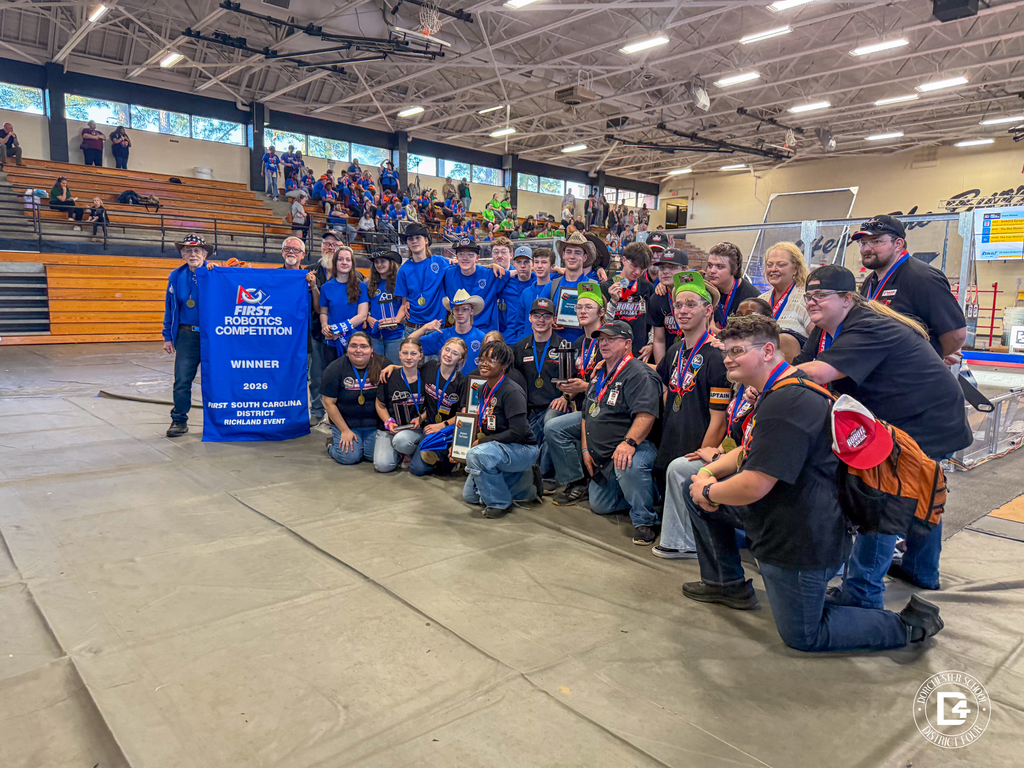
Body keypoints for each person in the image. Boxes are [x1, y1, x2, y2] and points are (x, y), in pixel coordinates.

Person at [680, 314, 943, 652]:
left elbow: (755, 484)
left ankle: (909, 624)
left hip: (801, 539)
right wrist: (710, 473)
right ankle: (726, 583)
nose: (728, 359)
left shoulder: (786, 402)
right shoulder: (780, 389)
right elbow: (751, 449)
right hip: (780, 515)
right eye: (727, 351)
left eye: (738, 351)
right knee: (695, 492)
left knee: (804, 635)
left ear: (768, 351)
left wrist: (708, 490)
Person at [794, 264, 972, 608]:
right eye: (809, 296)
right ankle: (921, 569)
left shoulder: (869, 325)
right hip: (908, 414)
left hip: (925, 418)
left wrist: (766, 376)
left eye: (821, 295)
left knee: (884, 495)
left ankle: (862, 593)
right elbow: (805, 362)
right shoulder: (827, 327)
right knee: (919, 486)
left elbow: (819, 371)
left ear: (847, 298)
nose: (813, 302)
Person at [652, 272, 731, 560]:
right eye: (679, 305)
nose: (683, 311)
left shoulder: (716, 357)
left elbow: (719, 419)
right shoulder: (675, 351)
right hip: (671, 439)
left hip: (696, 447)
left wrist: (702, 459)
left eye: (691, 304)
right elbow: (662, 388)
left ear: (708, 310)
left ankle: (688, 543)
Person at [580, 320, 663, 544]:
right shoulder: (600, 372)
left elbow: (646, 415)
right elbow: (587, 413)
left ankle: (645, 520)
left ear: (627, 344)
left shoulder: (638, 374)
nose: (604, 343)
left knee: (628, 463)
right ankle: (640, 492)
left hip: (636, 446)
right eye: (601, 339)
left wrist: (629, 442)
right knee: (600, 506)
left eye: (611, 339)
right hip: (603, 453)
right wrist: (586, 447)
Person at [853, 214, 966, 363]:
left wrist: (930, 358)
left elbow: (956, 334)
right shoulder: (871, 280)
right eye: (863, 243)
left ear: (898, 244)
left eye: (876, 241)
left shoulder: (922, 277)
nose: (867, 249)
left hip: (907, 378)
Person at [461, 340, 542, 519]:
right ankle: (524, 484)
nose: (484, 364)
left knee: (477, 455)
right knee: (470, 496)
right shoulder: (483, 389)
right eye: (482, 359)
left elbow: (518, 432)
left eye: (491, 360)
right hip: (499, 448)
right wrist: (461, 448)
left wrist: (482, 442)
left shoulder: (512, 392)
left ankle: (499, 503)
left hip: (522, 448)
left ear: (504, 365)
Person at [545, 282, 606, 506]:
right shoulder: (579, 342)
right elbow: (574, 378)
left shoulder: (607, 342)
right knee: (550, 416)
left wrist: (584, 387)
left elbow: (614, 384)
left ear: (601, 312)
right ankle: (559, 477)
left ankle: (578, 482)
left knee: (554, 427)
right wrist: (567, 394)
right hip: (580, 405)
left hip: (601, 409)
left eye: (588, 307)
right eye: (579, 307)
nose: (582, 311)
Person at [513, 297, 572, 485]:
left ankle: (546, 477)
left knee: (549, 423)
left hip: (554, 405)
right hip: (529, 407)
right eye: (537, 315)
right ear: (530, 318)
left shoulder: (564, 347)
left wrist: (565, 397)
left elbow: (570, 382)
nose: (541, 320)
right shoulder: (520, 348)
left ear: (553, 319)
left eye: (546, 316)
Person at [161, 234, 214, 438]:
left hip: (213, 336)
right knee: (182, 380)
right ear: (183, 255)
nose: (193, 254)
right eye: (189, 251)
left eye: (197, 251)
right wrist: (168, 336)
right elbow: (170, 307)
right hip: (186, 335)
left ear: (205, 254)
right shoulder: (175, 276)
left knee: (217, 379)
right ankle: (179, 420)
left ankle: (221, 420)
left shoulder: (214, 272)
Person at [321, 332, 387, 465]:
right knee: (349, 457)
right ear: (347, 349)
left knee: (372, 456)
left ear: (371, 349)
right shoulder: (334, 369)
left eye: (363, 346)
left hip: (374, 425)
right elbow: (328, 403)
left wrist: (393, 367)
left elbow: (403, 373)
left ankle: (363, 444)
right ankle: (331, 444)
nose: (358, 350)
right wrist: (344, 430)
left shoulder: (383, 365)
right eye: (353, 346)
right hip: (347, 423)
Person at [279, 235, 322, 427]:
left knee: (313, 376)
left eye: (296, 250)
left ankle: (315, 412)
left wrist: (313, 287)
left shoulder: (309, 278)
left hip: (305, 336)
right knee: (284, 375)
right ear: (282, 252)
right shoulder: (273, 278)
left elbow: (319, 307)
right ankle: (283, 410)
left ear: (303, 255)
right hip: (280, 337)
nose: (291, 252)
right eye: (287, 248)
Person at [374, 338, 427, 472]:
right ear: (399, 355)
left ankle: (408, 452)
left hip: (415, 430)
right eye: (405, 353)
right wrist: (388, 421)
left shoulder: (427, 376)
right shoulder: (388, 376)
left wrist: (422, 418)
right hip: (391, 429)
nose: (409, 357)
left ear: (421, 356)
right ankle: (399, 453)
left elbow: (433, 405)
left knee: (402, 441)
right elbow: (380, 405)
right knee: (383, 465)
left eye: (413, 353)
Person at [314, 244, 369, 365]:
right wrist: (324, 326)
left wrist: (338, 329)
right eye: (340, 259)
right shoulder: (326, 288)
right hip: (331, 341)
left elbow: (362, 316)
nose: (344, 262)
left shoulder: (361, 286)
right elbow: (323, 312)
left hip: (354, 342)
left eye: (348, 260)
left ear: (352, 263)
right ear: (335, 263)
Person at [410, 289, 486, 374]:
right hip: (447, 385)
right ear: (452, 312)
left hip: (471, 385)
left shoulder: (481, 337)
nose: (460, 313)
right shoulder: (442, 335)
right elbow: (409, 344)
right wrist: (424, 328)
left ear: (471, 311)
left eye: (464, 309)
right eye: (456, 309)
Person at [541, 231, 598, 343]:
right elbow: (538, 315)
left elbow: (600, 319)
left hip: (585, 347)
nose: (572, 256)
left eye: (577, 252)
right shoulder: (551, 286)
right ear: (563, 255)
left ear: (584, 257)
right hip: (555, 349)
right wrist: (548, 321)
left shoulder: (593, 286)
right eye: (569, 252)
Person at [759, 242, 812, 362]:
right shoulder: (761, 300)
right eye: (769, 265)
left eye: (781, 265)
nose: (773, 269)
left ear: (796, 268)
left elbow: (818, 339)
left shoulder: (806, 300)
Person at [442, 239, 509, 334]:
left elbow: (516, 273)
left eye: (470, 255)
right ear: (456, 257)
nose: (465, 258)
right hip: (459, 332)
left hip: (486, 334)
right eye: (461, 254)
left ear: (477, 258)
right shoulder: (448, 273)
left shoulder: (491, 274)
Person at [602, 242, 655, 360]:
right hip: (612, 353)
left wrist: (652, 344)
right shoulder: (606, 288)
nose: (637, 272)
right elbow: (601, 324)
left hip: (639, 352)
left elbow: (653, 322)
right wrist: (613, 302)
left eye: (642, 268)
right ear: (624, 260)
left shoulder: (648, 288)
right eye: (634, 266)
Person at [395, 222, 449, 333]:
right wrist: (395, 321)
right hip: (412, 326)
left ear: (426, 241)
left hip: (436, 326)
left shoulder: (441, 262)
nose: (414, 241)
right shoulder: (403, 270)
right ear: (407, 244)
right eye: (410, 239)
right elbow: (404, 304)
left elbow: (465, 266)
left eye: (418, 238)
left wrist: (491, 266)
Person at [648, 247, 689, 363]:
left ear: (685, 269)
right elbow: (659, 340)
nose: (665, 271)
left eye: (672, 267)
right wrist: (661, 372)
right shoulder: (657, 298)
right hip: (670, 359)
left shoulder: (697, 295)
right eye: (662, 267)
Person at [705, 242, 760, 327]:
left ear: (735, 268)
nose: (712, 271)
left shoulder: (752, 298)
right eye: (710, 265)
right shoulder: (706, 290)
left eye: (720, 267)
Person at [366, 249, 406, 362]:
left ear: (391, 263)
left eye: (382, 261)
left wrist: (397, 320)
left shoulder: (401, 283)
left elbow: (405, 306)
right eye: (376, 262)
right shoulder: (368, 285)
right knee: (376, 370)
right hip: (374, 336)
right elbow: (363, 308)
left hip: (395, 336)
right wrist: (368, 318)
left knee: (395, 370)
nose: (379, 265)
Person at [500, 245, 536, 344]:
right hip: (510, 338)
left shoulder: (539, 282)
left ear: (532, 263)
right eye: (519, 262)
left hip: (533, 337)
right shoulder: (506, 283)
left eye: (526, 262)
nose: (523, 266)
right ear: (514, 264)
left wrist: (557, 269)